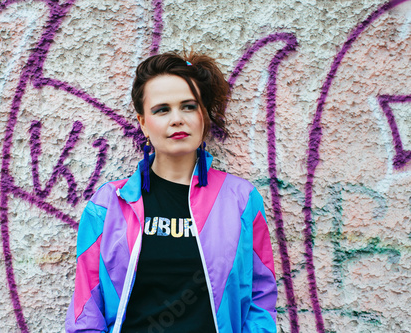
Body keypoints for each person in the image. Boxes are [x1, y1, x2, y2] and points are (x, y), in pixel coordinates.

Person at [65, 51, 277, 333]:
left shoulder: (241, 200)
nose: (176, 119)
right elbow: (86, 311)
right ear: (143, 123)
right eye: (162, 109)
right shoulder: (108, 206)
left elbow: (261, 297)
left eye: (188, 106)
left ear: (203, 115)